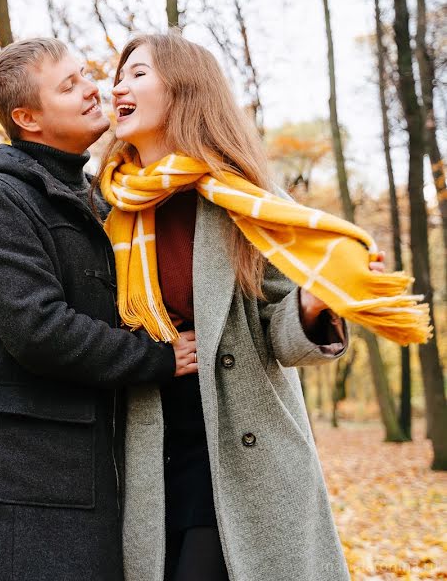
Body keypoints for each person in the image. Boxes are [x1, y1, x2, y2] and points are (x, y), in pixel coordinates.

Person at [96, 31, 424, 581]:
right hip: (148, 449)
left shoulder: (248, 200)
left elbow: (280, 337)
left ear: (183, 90)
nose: (118, 85)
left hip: (243, 449)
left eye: (138, 73)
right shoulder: (105, 206)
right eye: (119, 74)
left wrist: (316, 298)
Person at [0, 38, 197, 580]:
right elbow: (40, 330)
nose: (94, 88)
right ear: (27, 118)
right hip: (31, 494)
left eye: (85, 74)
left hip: (98, 474)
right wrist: (157, 357)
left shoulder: (94, 195)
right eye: (69, 85)